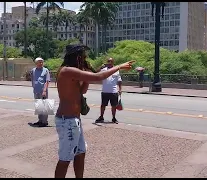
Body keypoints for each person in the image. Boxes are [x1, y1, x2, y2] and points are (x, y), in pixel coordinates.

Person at [55, 44, 135, 178]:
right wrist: (119, 66)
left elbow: (82, 91)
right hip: (67, 120)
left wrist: (87, 75)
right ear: (76, 57)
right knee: (65, 157)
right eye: (83, 56)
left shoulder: (73, 72)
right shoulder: (67, 71)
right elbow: (99, 77)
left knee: (80, 152)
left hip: (74, 120)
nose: (85, 57)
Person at [95, 57, 122, 124]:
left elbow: (119, 80)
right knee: (103, 105)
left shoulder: (116, 70)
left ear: (113, 62)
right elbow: (95, 72)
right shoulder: (104, 70)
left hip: (114, 91)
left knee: (114, 106)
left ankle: (113, 118)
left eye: (111, 61)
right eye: (108, 61)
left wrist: (120, 89)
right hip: (105, 91)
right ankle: (101, 117)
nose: (109, 62)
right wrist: (101, 67)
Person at [31, 57, 51, 127]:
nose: (41, 63)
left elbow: (47, 81)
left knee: (44, 106)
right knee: (39, 106)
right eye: (39, 62)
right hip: (36, 90)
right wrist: (33, 87)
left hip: (43, 90)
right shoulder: (33, 70)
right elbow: (32, 79)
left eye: (42, 62)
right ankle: (40, 120)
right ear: (36, 63)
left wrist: (45, 90)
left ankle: (45, 121)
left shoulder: (46, 70)